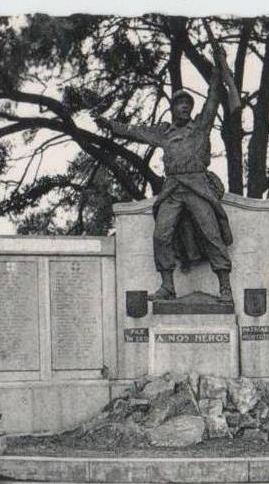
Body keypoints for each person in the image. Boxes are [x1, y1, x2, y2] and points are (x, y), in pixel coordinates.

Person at [94, 48, 238, 303]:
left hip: (197, 184)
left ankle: (224, 287)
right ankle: (168, 286)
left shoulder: (201, 125)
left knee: (211, 232)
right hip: (172, 187)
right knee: (161, 235)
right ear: (172, 108)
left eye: (187, 104)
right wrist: (112, 126)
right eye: (179, 104)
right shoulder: (164, 132)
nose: (184, 107)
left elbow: (214, 96)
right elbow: (136, 131)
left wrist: (218, 68)